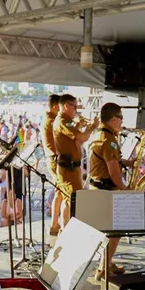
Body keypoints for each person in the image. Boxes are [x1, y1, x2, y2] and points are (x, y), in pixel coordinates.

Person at [87, 102, 134, 278]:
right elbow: (114, 172)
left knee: (111, 231)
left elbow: (109, 162)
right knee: (116, 231)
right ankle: (104, 268)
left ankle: (106, 262)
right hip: (106, 190)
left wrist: (127, 163)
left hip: (98, 188)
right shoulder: (109, 140)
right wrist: (127, 190)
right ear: (114, 119)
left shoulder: (99, 134)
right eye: (121, 118)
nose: (122, 122)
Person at [51, 94, 94, 229]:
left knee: (69, 200)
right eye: (74, 106)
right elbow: (82, 137)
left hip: (71, 167)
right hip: (68, 168)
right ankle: (66, 229)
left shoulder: (66, 121)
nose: (76, 110)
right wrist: (92, 127)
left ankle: (65, 228)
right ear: (66, 106)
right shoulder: (63, 121)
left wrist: (78, 124)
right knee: (71, 201)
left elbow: (73, 138)